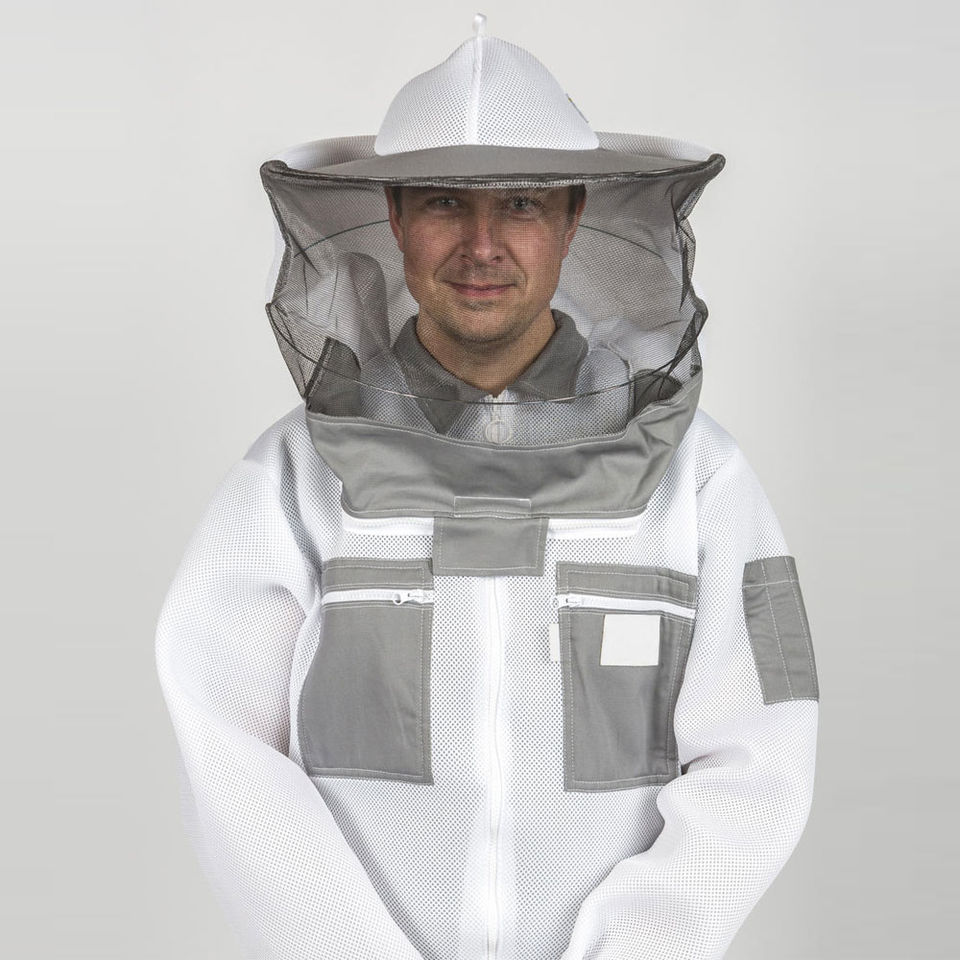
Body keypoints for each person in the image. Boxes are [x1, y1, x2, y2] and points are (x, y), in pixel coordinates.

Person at [155, 14, 820, 960]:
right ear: (395, 217)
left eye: (520, 204)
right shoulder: (289, 480)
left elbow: (764, 757)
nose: (482, 244)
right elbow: (223, 750)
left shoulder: (703, 476)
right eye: (443, 204)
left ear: (572, 218)